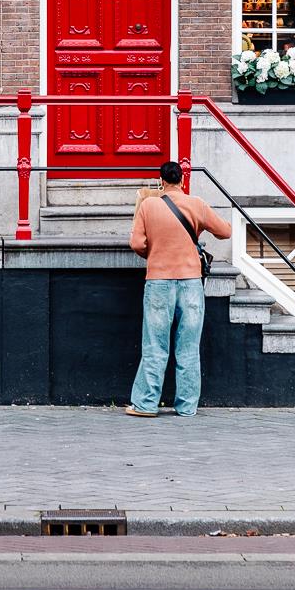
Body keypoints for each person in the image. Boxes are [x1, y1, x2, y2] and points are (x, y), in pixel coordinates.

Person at [126, 160, 231, 419]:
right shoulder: (196, 204)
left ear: (161, 181)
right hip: (191, 282)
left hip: (159, 281)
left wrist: (153, 253)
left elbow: (136, 243)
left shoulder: (148, 205)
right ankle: (186, 406)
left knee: (155, 344)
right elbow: (225, 232)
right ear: (182, 180)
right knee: (188, 347)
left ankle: (146, 404)